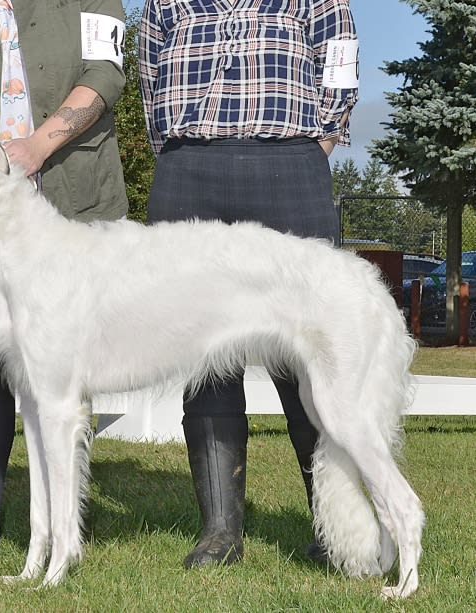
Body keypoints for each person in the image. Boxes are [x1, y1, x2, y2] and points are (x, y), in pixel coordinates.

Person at [138, 0, 358, 567]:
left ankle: (334, 530)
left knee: (307, 359)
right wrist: (177, 156)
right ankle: (220, 532)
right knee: (205, 357)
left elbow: (339, 68)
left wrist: (315, 148)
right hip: (189, 170)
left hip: (289, 166)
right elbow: (148, 75)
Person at [0, 0, 129, 566]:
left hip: (74, 190)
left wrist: (37, 147)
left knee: (64, 371)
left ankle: (65, 524)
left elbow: (106, 69)